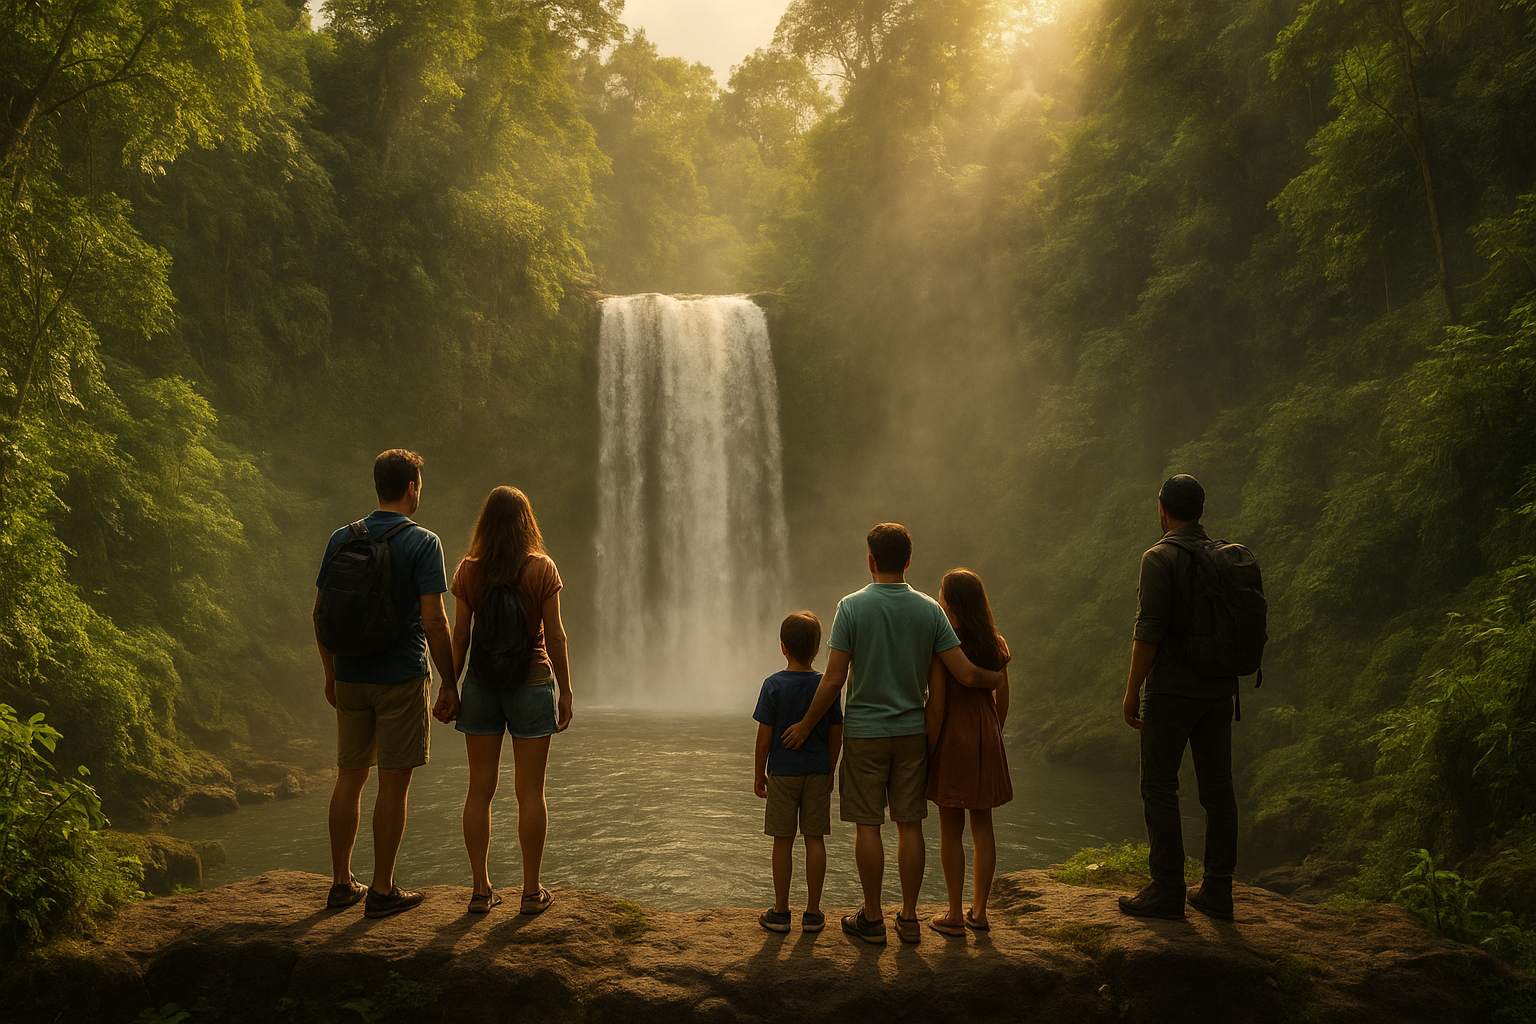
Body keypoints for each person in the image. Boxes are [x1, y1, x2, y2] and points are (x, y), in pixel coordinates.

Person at [783, 523, 1005, 946]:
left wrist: (806, 725)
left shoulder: (850, 607)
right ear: (907, 561)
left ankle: (871, 918)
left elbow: (831, 681)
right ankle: (908, 918)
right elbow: (964, 672)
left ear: (871, 560)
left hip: (865, 733)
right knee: (910, 826)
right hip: (911, 732)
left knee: (867, 826)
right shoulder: (930, 610)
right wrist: (998, 675)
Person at [315, 449, 457, 918]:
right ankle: (381, 889)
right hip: (400, 677)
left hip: (351, 674)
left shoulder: (341, 537)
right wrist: (450, 681)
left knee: (349, 778)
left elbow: (320, 614)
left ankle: (340, 884)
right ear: (412, 486)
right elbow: (435, 621)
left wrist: (330, 673)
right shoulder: (424, 543)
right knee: (393, 786)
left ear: (378, 485)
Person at [447, 485, 573, 915]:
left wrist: (449, 684)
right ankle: (531, 892)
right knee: (530, 793)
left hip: (481, 686)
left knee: (478, 789)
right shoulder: (542, 567)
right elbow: (555, 635)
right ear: (527, 522)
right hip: (532, 682)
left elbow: (460, 634)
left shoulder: (469, 569)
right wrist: (567, 690)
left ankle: (480, 892)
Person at [1118, 473, 1239, 921]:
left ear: (1162, 508)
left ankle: (1167, 888)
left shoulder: (1160, 557)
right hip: (1219, 689)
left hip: (1171, 691)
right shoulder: (1226, 556)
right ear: (1201, 511)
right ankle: (1218, 890)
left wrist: (1132, 692)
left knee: (1159, 785)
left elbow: (1148, 631)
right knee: (1218, 790)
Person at [924, 569, 1012, 937]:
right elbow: (1002, 698)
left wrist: (928, 751)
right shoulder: (995, 642)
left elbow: (938, 704)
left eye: (942, 594)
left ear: (951, 602)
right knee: (983, 826)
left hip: (953, 736)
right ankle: (980, 912)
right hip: (986, 733)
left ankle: (954, 914)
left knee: (949, 830)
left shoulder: (945, 644)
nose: (939, 598)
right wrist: (993, 732)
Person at [753, 611, 844, 935]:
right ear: (817, 649)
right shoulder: (825, 685)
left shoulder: (773, 685)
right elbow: (837, 730)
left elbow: (764, 736)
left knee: (783, 840)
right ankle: (813, 913)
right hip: (817, 772)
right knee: (815, 838)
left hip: (782, 772)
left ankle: (780, 912)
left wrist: (758, 774)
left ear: (783, 647)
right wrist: (831, 768)